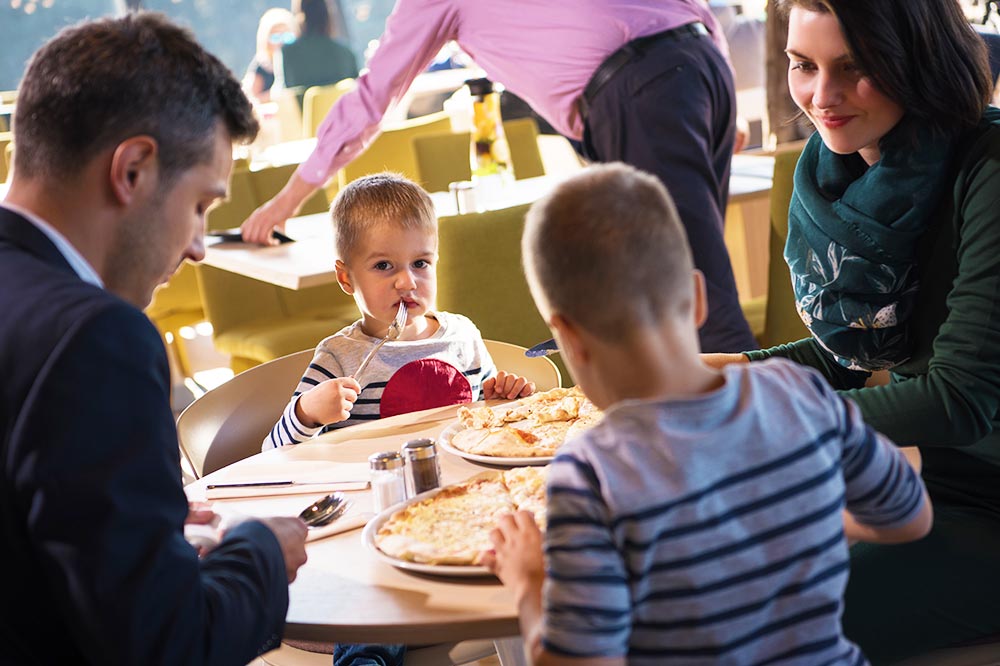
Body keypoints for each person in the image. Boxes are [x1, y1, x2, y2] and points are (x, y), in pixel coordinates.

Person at [481, 163, 932, 665]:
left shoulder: (589, 473)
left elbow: (578, 662)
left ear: (567, 339)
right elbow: (910, 516)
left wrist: (529, 582)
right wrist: (793, 517)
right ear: (697, 299)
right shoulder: (799, 392)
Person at [0, 13, 308, 664]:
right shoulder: (95, 339)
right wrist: (262, 552)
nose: (198, 247)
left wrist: (145, 529)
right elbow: (167, 643)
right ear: (134, 168)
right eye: (200, 205)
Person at [704, 0, 1000, 662]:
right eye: (802, 66)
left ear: (917, 61)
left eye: (855, 67)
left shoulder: (990, 169)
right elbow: (860, 349)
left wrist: (769, 423)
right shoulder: (860, 168)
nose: (822, 95)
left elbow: (960, 397)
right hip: (943, 485)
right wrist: (733, 371)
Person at [241, 0, 758, 354]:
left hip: (642, 95)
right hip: (698, 67)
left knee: (694, 298)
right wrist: (723, 99)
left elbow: (372, 100)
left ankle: (773, 469)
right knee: (669, 294)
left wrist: (287, 199)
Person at [263, 172, 534, 451]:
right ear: (346, 278)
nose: (407, 282)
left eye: (420, 263)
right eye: (383, 266)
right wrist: (307, 412)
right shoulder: (338, 357)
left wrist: (504, 399)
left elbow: (488, 424)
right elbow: (272, 453)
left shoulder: (463, 337)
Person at [277, 0, 359, 93]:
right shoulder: (346, 52)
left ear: (299, 15)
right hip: (341, 107)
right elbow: (358, 91)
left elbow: (284, 94)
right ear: (328, 15)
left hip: (303, 107)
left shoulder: (288, 53)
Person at [243, 7, 298, 104]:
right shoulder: (260, 66)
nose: (282, 43)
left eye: (288, 37)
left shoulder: (296, 63)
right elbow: (251, 99)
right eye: (276, 37)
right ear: (265, 39)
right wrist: (275, 95)